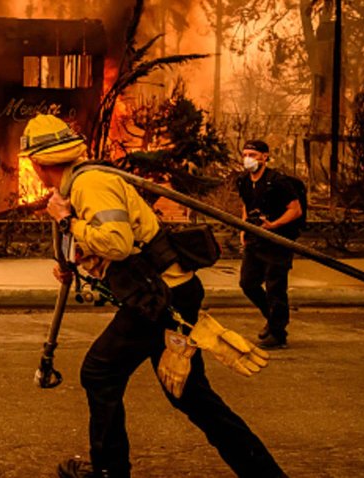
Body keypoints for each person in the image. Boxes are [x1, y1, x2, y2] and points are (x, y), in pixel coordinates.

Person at [20, 114, 286, 478]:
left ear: (37, 163)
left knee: (99, 373)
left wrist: (67, 221)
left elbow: (116, 242)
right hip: (166, 293)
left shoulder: (89, 185)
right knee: (191, 397)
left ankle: (109, 472)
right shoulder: (81, 184)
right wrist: (76, 256)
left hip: (160, 298)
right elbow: (109, 240)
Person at [236, 140, 302, 349]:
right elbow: (246, 207)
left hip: (278, 241)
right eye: (245, 154)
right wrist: (243, 229)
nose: (248, 159)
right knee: (248, 283)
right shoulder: (244, 181)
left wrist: (274, 225)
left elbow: (295, 210)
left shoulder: (278, 182)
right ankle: (273, 320)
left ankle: (278, 333)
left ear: (265, 156)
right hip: (255, 240)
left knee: (275, 287)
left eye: (253, 155)